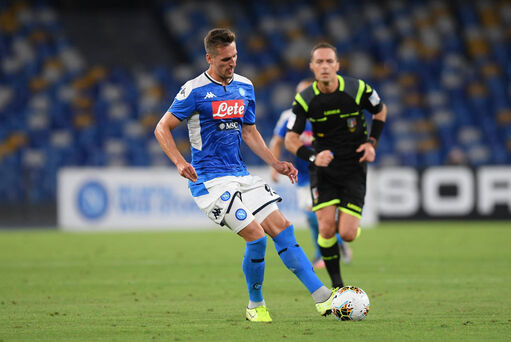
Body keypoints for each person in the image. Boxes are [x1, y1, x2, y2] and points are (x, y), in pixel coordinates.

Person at [154, 28, 335, 323]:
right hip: (209, 181)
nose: (232, 63)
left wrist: (275, 162)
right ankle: (255, 304)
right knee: (256, 236)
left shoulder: (244, 87)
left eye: (235, 56)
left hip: (240, 174)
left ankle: (322, 297)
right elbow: (162, 128)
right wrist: (178, 161)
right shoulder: (194, 90)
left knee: (283, 227)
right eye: (225, 59)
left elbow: (249, 131)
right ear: (209, 58)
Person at [285, 42, 387, 289]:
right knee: (326, 228)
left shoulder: (358, 88)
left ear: (337, 65)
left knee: (348, 233)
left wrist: (372, 142)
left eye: (329, 61)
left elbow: (381, 111)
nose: (325, 66)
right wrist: (312, 157)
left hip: (353, 167)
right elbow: (290, 139)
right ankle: (338, 286)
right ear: (312, 67)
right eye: (319, 62)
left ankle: (349, 230)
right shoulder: (305, 99)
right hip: (323, 170)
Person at [269, 79, 352, 269]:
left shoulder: (327, 114)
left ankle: (324, 252)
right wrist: (275, 166)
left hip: (326, 172)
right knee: (312, 217)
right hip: (303, 175)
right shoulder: (289, 116)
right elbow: (277, 141)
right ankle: (338, 242)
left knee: (317, 215)